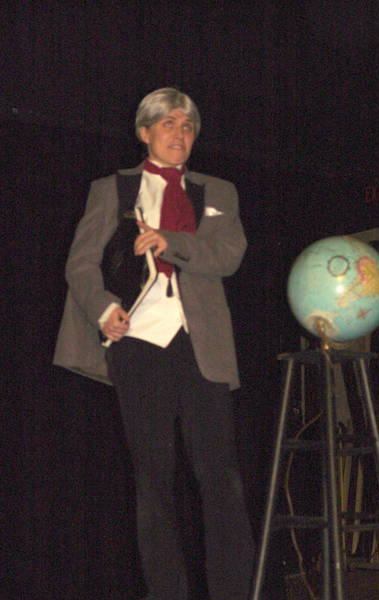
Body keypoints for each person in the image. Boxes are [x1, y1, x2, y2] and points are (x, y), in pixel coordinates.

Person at [54, 88, 254, 600]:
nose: (179, 134)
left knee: (221, 478)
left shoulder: (219, 191)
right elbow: (81, 263)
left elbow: (229, 254)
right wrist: (103, 308)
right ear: (145, 132)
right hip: (139, 342)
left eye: (187, 126)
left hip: (202, 345)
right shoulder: (111, 189)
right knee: (153, 479)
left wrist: (172, 240)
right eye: (168, 124)